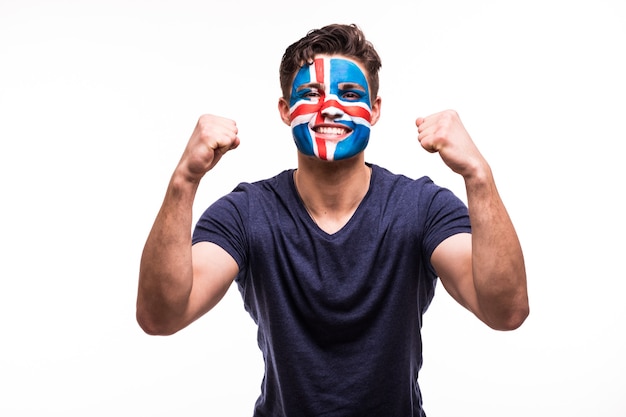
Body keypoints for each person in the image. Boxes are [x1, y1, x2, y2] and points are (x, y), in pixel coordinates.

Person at [137, 23, 529, 417]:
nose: (329, 107)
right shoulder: (246, 213)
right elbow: (161, 316)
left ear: (375, 111)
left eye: (350, 94)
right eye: (310, 94)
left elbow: (505, 311)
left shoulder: (420, 207)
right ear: (285, 110)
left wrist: (478, 175)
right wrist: (184, 181)